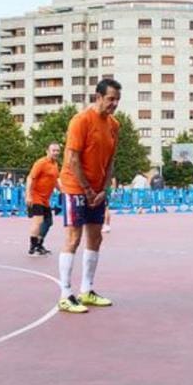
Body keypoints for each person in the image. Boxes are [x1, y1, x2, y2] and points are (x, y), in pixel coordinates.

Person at [56, 78, 122, 314]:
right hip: (75, 186)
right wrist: (87, 189)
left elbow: (111, 160)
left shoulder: (114, 125)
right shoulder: (81, 121)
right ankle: (65, 294)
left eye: (117, 100)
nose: (114, 104)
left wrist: (104, 189)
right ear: (98, 97)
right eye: (110, 99)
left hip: (97, 189)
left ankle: (87, 290)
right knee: (73, 237)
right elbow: (73, 159)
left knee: (95, 238)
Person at [25, 142, 60, 257]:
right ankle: (32, 247)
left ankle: (39, 244)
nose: (55, 152)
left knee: (48, 222)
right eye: (53, 150)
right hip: (36, 196)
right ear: (47, 151)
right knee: (38, 221)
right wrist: (28, 195)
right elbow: (30, 178)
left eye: (57, 150)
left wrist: (64, 191)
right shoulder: (41, 163)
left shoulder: (55, 165)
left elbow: (55, 181)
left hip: (45, 199)